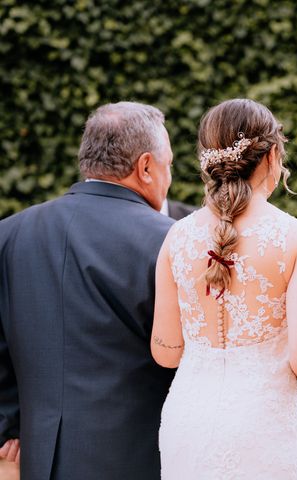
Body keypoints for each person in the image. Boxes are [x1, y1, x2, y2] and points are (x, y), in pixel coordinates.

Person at [0, 102, 176, 480]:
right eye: (169, 165)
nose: (169, 178)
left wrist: (9, 419)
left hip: (41, 456)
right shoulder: (170, 241)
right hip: (138, 456)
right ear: (145, 167)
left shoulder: (10, 233)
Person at [151, 98, 297, 479]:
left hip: (188, 417)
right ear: (273, 156)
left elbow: (166, 354)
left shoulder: (175, 237)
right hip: (263, 424)